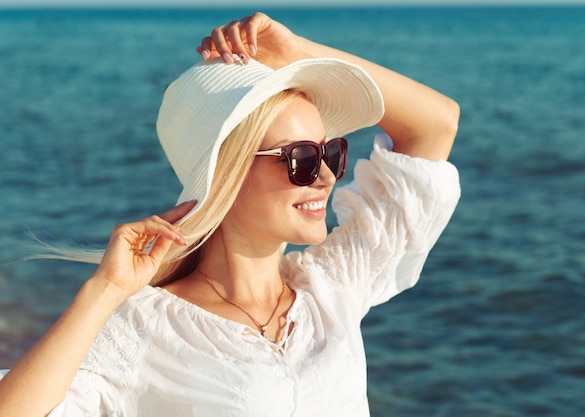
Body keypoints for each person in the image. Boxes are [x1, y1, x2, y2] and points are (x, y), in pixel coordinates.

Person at [0, 12, 460, 417]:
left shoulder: (331, 286)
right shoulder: (145, 326)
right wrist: (104, 291)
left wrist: (296, 53)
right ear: (229, 174)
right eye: (299, 156)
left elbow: (436, 125)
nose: (324, 177)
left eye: (330, 152)